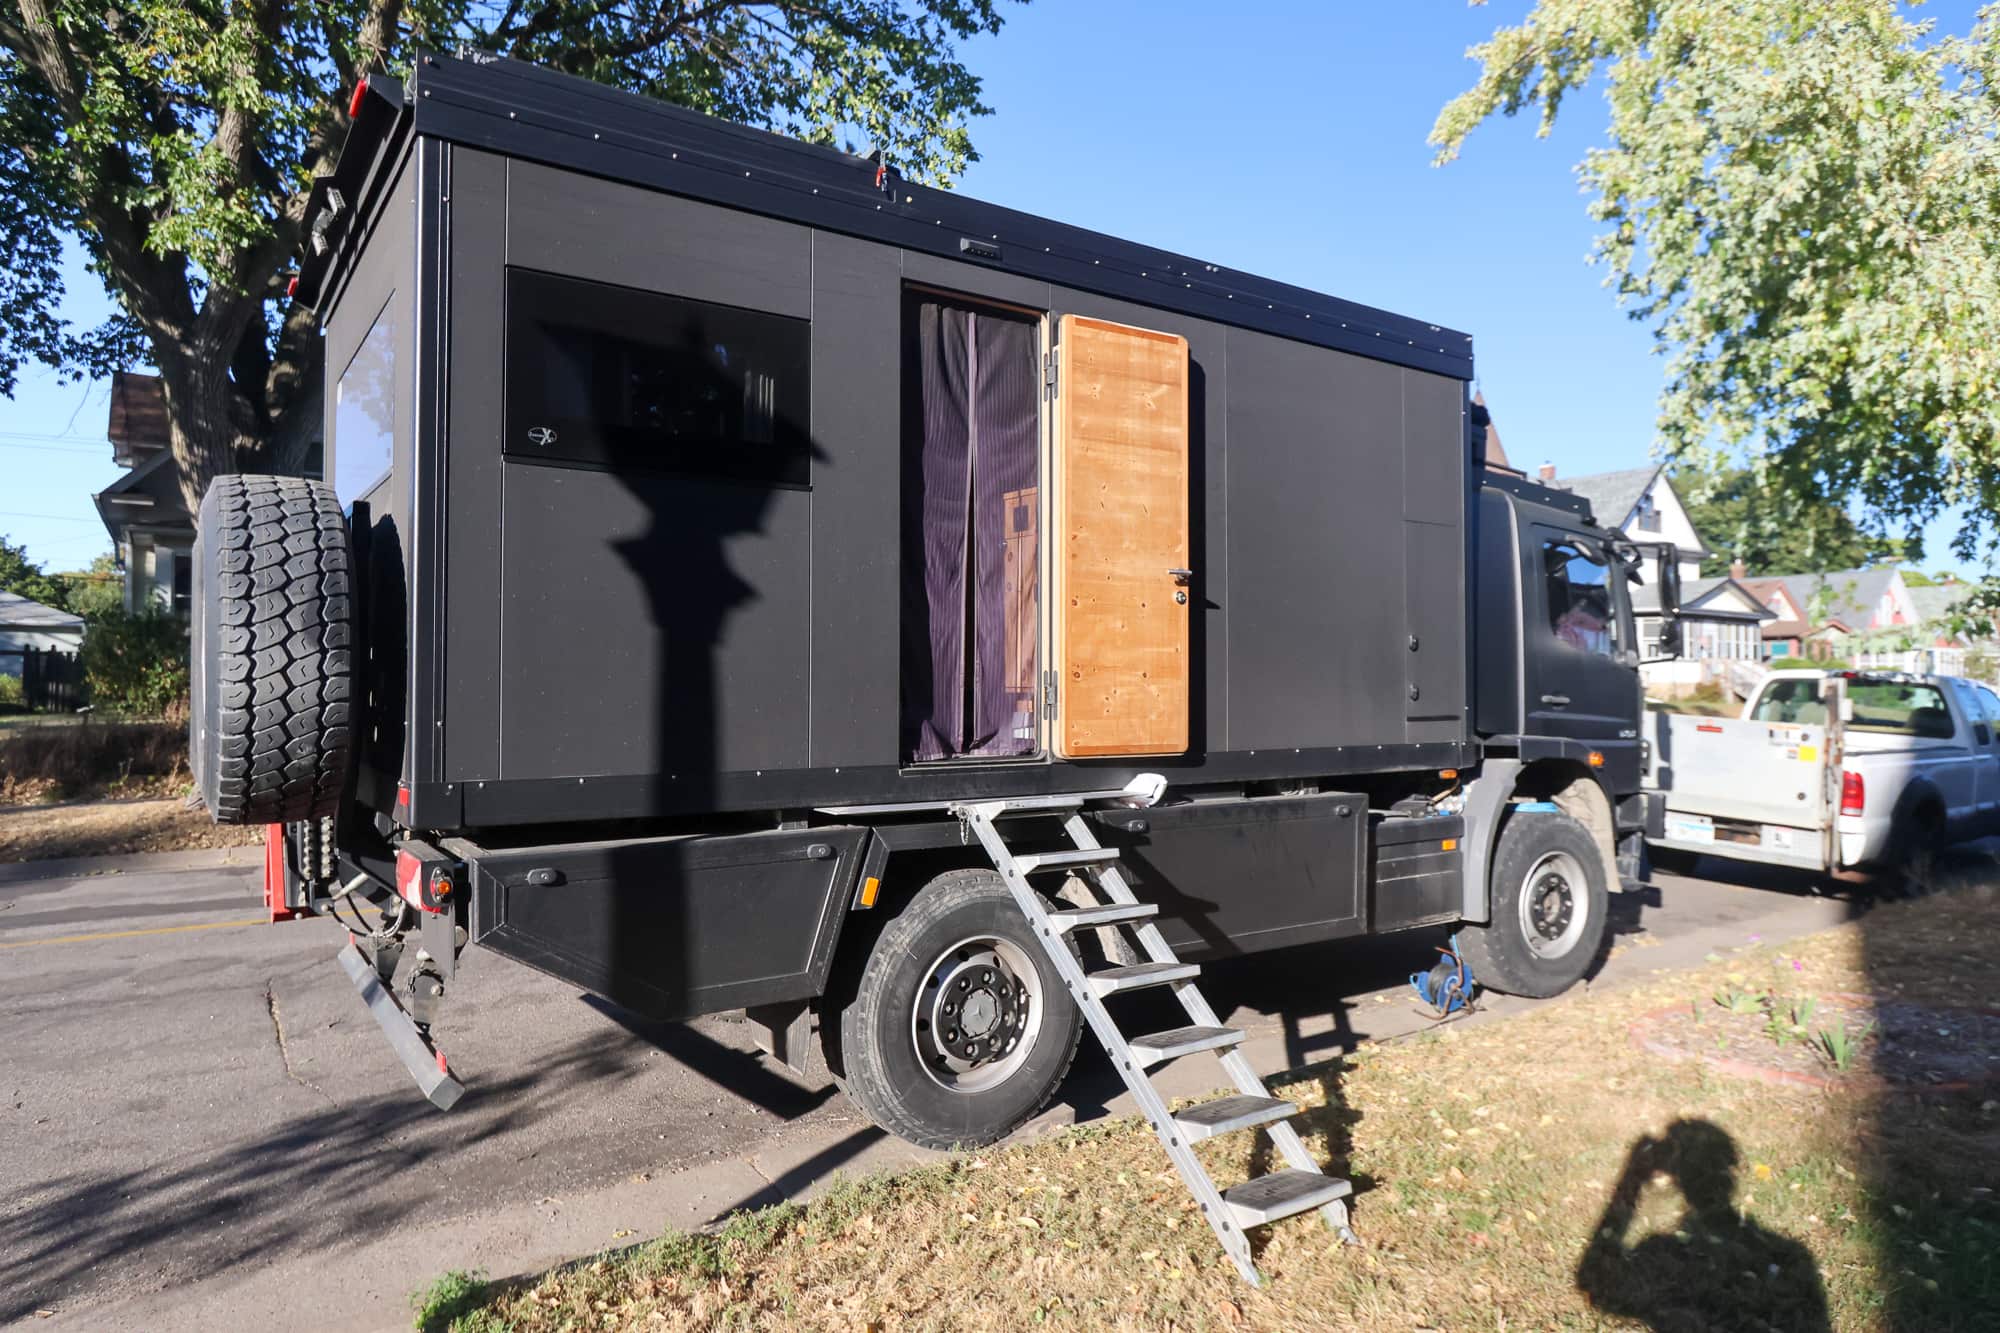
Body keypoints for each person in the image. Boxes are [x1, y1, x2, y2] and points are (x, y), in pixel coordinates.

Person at [1577, 1119, 1830, 1332]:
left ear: (1673, 1178)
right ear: (1731, 1174)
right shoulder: (1791, 1258)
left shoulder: (1662, 1256)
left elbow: (1596, 1282)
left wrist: (1631, 1180)